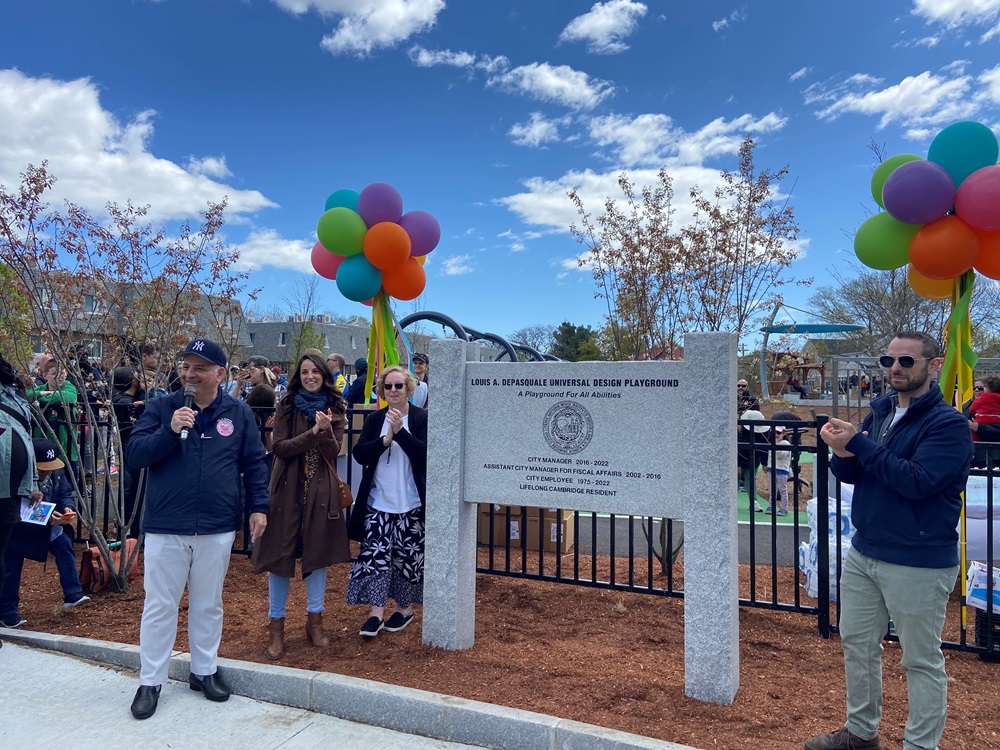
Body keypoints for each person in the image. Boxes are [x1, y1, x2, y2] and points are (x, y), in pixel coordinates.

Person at [807, 332, 972, 750]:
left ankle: (920, 746)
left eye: (906, 361)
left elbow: (917, 482)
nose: (895, 367)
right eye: (888, 359)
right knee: (858, 646)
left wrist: (858, 443)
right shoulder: (879, 412)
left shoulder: (948, 425)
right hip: (865, 551)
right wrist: (842, 451)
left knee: (920, 659)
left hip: (918, 560)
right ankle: (860, 734)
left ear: (933, 366)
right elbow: (854, 475)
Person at [125, 337, 268, 721]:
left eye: (199, 368)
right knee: (160, 606)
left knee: (208, 604)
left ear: (219, 374)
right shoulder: (161, 408)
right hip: (166, 526)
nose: (189, 374)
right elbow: (136, 455)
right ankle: (150, 680)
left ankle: (203, 671)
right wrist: (169, 431)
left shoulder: (237, 413)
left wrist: (258, 508)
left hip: (216, 527)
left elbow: (255, 463)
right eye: (185, 366)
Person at [252, 353, 349, 659]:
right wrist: (314, 432)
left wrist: (325, 431)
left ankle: (315, 622)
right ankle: (276, 627)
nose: (310, 376)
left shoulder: (337, 409)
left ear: (323, 374)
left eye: (315, 372)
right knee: (280, 557)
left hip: (319, 493)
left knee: (316, 556)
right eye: (305, 372)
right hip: (287, 491)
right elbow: (280, 447)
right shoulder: (286, 405)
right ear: (299, 376)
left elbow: (334, 451)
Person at [346, 365, 428, 637]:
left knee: (408, 558)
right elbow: (360, 454)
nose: (393, 391)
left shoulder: (420, 418)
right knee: (375, 557)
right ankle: (375, 612)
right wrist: (385, 439)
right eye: (388, 386)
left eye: (399, 386)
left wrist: (400, 433)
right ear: (381, 391)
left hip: (411, 503)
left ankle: (404, 609)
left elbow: (426, 455)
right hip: (378, 502)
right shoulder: (375, 419)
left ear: (409, 389)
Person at [0, 439, 91, 628]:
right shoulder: (17, 475)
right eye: (42, 469)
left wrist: (67, 508)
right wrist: (49, 518)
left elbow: (65, 493)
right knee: (11, 568)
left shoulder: (56, 474)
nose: (47, 472)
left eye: (50, 467)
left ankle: (73, 593)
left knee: (63, 544)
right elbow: (19, 508)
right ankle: (7, 612)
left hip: (48, 526)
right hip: (18, 529)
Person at [0, 354, 42, 638]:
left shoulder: (15, 398)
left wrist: (33, 482)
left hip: (10, 485)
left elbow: (24, 438)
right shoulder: (16, 397)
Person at [26, 359, 80, 483]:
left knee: (65, 485)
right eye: (54, 373)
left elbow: (69, 397)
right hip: (43, 443)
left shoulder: (69, 387)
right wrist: (46, 392)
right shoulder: (41, 388)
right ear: (45, 375)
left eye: (62, 373)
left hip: (64, 445)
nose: (59, 376)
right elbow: (26, 395)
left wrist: (42, 395)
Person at [110, 367, 142, 538]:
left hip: (129, 446)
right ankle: (126, 525)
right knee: (130, 487)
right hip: (129, 447)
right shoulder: (124, 401)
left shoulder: (130, 398)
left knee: (133, 486)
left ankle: (129, 523)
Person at [738, 409, 770, 512]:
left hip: (754, 458)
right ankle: (730, 502)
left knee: (751, 479)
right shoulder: (740, 430)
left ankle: (753, 502)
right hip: (738, 456)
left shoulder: (765, 432)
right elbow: (735, 447)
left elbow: (764, 448)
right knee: (734, 479)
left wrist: (764, 464)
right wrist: (737, 464)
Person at [765, 426, 791, 516]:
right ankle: (771, 505)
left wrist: (774, 447)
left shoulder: (786, 444)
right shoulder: (772, 443)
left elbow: (781, 455)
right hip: (772, 469)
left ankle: (784, 508)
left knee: (782, 489)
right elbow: (770, 456)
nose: (776, 434)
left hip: (782, 469)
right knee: (773, 488)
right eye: (775, 432)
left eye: (778, 433)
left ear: (783, 433)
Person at [966, 375, 1000, 442]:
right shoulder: (966, 406)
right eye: (974, 388)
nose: (976, 390)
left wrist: (978, 428)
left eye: (981, 388)